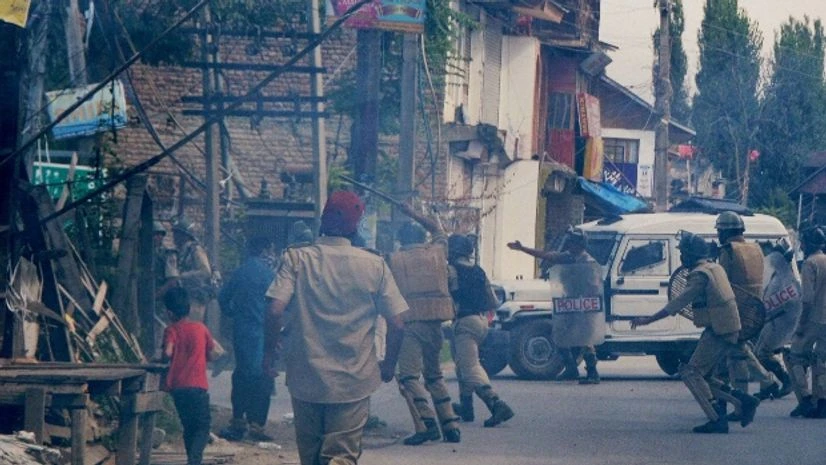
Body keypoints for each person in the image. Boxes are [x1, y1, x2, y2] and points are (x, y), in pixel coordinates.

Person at [264, 191, 408, 465]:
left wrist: (269, 356)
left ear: (322, 219)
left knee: (311, 457)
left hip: (306, 376)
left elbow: (274, 310)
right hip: (352, 381)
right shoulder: (374, 264)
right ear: (356, 225)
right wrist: (388, 366)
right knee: (340, 457)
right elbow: (398, 324)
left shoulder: (297, 259)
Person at [631, 232, 760, 434]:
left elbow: (678, 303)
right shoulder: (714, 267)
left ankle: (717, 419)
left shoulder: (700, 275)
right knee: (704, 376)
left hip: (719, 329)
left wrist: (647, 320)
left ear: (690, 255)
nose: (682, 257)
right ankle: (743, 399)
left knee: (691, 373)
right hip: (726, 327)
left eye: (683, 253)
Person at [389, 203, 461, 445]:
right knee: (434, 375)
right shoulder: (438, 252)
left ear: (401, 241)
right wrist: (412, 212)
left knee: (409, 377)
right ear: (423, 238)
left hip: (410, 324)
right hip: (436, 323)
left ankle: (427, 423)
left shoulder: (395, 259)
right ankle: (451, 425)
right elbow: (438, 229)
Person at [507, 230, 601, 384]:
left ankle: (593, 372)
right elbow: (546, 255)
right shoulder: (567, 257)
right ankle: (571, 368)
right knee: (561, 335)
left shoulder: (588, 263)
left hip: (584, 305)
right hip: (569, 303)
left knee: (585, 339)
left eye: (572, 242)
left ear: (579, 244)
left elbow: (594, 287)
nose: (569, 244)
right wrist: (523, 248)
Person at [448, 233, 514, 427]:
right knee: (462, 364)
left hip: (464, 321)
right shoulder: (479, 271)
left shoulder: (451, 270)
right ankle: (466, 406)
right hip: (481, 320)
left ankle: (496, 403)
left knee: (469, 367)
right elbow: (492, 301)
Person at [713, 211, 774, 416]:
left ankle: (763, 384)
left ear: (726, 231)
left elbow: (721, 284)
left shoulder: (728, 251)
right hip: (755, 309)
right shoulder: (755, 248)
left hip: (734, 310)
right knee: (736, 353)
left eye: (720, 231)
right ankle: (742, 400)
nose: (718, 235)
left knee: (735, 355)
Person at [217, 236, 276, 442]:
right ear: (264, 251)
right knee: (263, 377)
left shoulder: (240, 272)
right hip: (264, 333)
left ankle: (238, 422)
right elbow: (279, 306)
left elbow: (223, 298)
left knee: (241, 376)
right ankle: (257, 426)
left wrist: (234, 313)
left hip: (242, 332)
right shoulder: (270, 274)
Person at [162, 287, 218, 465]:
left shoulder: (171, 330)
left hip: (178, 388)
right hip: (198, 386)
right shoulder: (201, 329)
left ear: (169, 313)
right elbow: (212, 353)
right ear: (189, 308)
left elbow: (168, 353)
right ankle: (194, 460)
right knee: (202, 426)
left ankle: (191, 460)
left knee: (188, 426)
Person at [786, 226, 826, 418]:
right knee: (821, 360)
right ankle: (822, 401)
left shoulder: (810, 263)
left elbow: (808, 299)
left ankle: (806, 398)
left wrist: (801, 325)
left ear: (807, 244)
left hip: (814, 319)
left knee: (796, 357)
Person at [754, 241, 800, 400]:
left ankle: (785, 380)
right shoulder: (778, 275)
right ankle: (768, 386)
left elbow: (782, 303)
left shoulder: (785, 279)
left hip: (779, 321)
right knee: (758, 353)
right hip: (772, 320)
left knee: (762, 354)